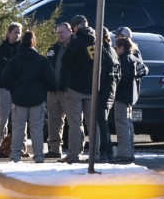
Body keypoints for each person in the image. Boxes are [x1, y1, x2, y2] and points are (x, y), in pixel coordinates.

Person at [2, 31, 56, 163]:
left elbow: (5, 79)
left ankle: (15, 155)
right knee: (37, 127)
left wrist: (13, 90)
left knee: (18, 127)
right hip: (37, 98)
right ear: (33, 43)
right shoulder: (42, 60)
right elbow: (51, 81)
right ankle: (38, 155)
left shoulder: (14, 61)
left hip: (19, 98)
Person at [60, 15, 96, 164]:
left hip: (75, 87)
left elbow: (66, 62)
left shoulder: (77, 42)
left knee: (75, 122)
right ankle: (96, 153)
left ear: (75, 27)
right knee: (92, 123)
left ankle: (73, 154)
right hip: (92, 87)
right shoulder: (96, 40)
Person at [0, 22, 22, 157]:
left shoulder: (23, 49)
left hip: (19, 88)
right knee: (1, 119)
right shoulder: (1, 50)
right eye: (15, 32)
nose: (17, 35)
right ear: (8, 33)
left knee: (20, 120)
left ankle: (20, 147)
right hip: (4, 88)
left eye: (19, 32)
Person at [113, 36, 144, 164]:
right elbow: (144, 70)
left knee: (122, 126)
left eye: (116, 47)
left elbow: (122, 79)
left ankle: (124, 153)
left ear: (122, 47)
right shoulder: (134, 59)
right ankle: (129, 152)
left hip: (122, 96)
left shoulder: (123, 60)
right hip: (131, 97)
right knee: (128, 125)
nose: (114, 49)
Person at [44, 22, 72, 159]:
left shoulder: (74, 47)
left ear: (69, 31)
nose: (59, 35)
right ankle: (55, 149)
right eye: (58, 33)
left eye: (62, 32)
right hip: (53, 91)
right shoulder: (53, 48)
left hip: (68, 91)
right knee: (54, 121)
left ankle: (75, 149)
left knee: (73, 121)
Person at [97, 28, 121, 163]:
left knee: (102, 123)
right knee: (103, 122)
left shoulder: (103, 51)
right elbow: (119, 74)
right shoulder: (112, 51)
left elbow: (101, 74)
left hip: (104, 91)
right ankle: (108, 151)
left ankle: (105, 152)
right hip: (111, 90)